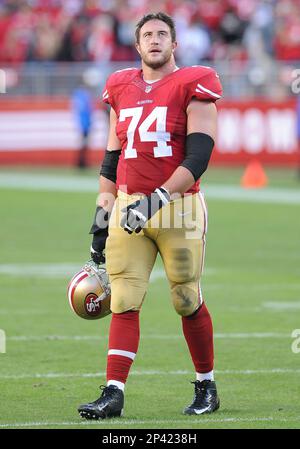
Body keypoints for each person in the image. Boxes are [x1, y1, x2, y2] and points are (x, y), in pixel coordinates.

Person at [78, 11, 222, 420]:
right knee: (123, 298)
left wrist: (157, 199)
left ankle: (206, 385)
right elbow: (111, 159)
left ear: (174, 44)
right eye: (147, 35)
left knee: (185, 296)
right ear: (137, 45)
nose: (155, 40)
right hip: (128, 207)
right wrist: (102, 215)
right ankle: (113, 392)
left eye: (162, 34)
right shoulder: (119, 87)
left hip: (178, 208)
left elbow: (199, 156)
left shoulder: (195, 83)